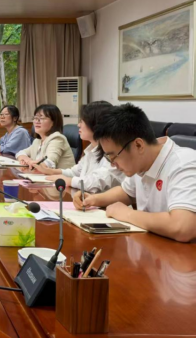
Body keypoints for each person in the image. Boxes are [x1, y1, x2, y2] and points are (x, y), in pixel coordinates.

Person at [73, 103, 196, 243]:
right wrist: (94, 199)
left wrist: (127, 214)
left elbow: (182, 227)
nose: (112, 164)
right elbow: (126, 192)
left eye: (113, 156)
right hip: (152, 244)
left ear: (138, 145)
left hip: (181, 253)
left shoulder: (184, 164)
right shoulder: (141, 161)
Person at [33, 101, 125, 192]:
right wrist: (51, 172)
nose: (78, 125)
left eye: (81, 121)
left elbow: (97, 182)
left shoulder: (113, 153)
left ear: (95, 124)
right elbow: (75, 172)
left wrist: (69, 181)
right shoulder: (91, 150)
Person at [16, 104, 75, 170]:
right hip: (40, 175)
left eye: (41, 118)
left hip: (59, 176)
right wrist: (28, 160)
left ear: (54, 122)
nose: (36, 121)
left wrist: (30, 162)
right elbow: (20, 153)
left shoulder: (57, 138)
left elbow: (49, 163)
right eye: (35, 118)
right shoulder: (37, 141)